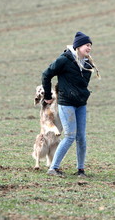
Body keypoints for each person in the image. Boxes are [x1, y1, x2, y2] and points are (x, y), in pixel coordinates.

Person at [41, 31, 100, 177]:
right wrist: (48, 96)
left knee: (82, 137)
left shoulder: (87, 63)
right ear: (78, 46)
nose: (89, 48)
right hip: (66, 103)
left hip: (81, 104)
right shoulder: (64, 59)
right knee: (70, 136)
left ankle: (81, 170)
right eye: (87, 45)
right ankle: (53, 168)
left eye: (90, 45)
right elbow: (46, 74)